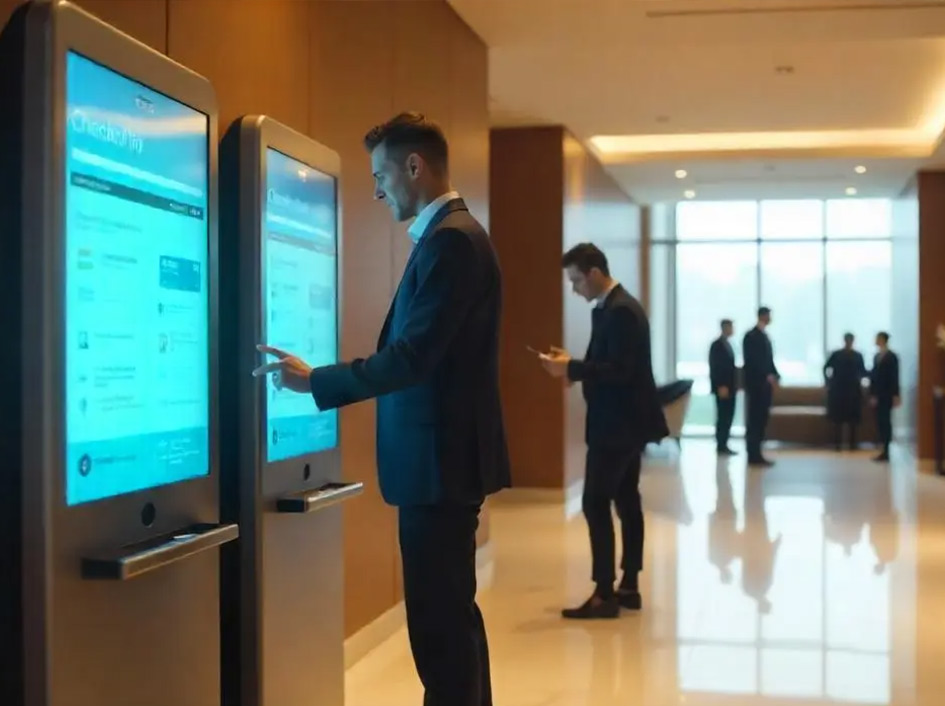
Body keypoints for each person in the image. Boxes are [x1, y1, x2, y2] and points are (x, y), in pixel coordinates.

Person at [253, 113, 510, 706]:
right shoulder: (453, 235)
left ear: (413, 167)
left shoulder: (452, 241)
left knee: (441, 635)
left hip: (438, 469)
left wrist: (316, 381)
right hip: (441, 467)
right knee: (454, 624)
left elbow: (412, 357)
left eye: (380, 176)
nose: (375, 191)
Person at [538, 243, 668, 619]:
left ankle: (604, 593)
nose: (574, 289)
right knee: (626, 500)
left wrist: (572, 369)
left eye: (576, 280)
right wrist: (572, 366)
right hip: (623, 423)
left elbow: (620, 371)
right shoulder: (614, 307)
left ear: (594, 273)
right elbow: (609, 363)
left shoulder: (621, 311)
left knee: (595, 502)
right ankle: (628, 585)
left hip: (616, 425)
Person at [742, 307, 779, 467]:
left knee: (761, 420)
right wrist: (765, 375)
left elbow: (769, 360)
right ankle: (753, 454)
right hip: (756, 386)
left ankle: (757, 452)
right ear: (762, 316)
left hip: (765, 386)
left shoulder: (764, 336)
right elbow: (752, 362)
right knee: (754, 420)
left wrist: (775, 375)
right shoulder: (751, 336)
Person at [823, 333, 868, 451]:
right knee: (838, 418)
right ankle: (838, 443)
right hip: (839, 389)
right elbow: (826, 367)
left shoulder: (857, 355)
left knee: (852, 418)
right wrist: (828, 382)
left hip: (852, 389)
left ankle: (852, 444)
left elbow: (863, 372)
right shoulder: (837, 354)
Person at [869, 331, 900, 463]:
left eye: (877, 338)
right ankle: (882, 448)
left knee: (886, 421)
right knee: (880, 421)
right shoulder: (876, 356)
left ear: (883, 340)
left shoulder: (892, 357)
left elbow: (894, 376)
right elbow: (874, 377)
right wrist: (872, 394)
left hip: (887, 394)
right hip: (878, 394)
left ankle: (887, 450)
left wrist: (896, 395)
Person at [709, 319, 737, 456]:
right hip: (723, 387)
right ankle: (721, 444)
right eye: (731, 327)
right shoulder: (717, 345)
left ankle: (724, 443)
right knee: (723, 416)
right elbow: (715, 367)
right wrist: (720, 385)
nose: (732, 330)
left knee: (728, 416)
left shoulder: (728, 344)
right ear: (725, 328)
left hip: (731, 387)